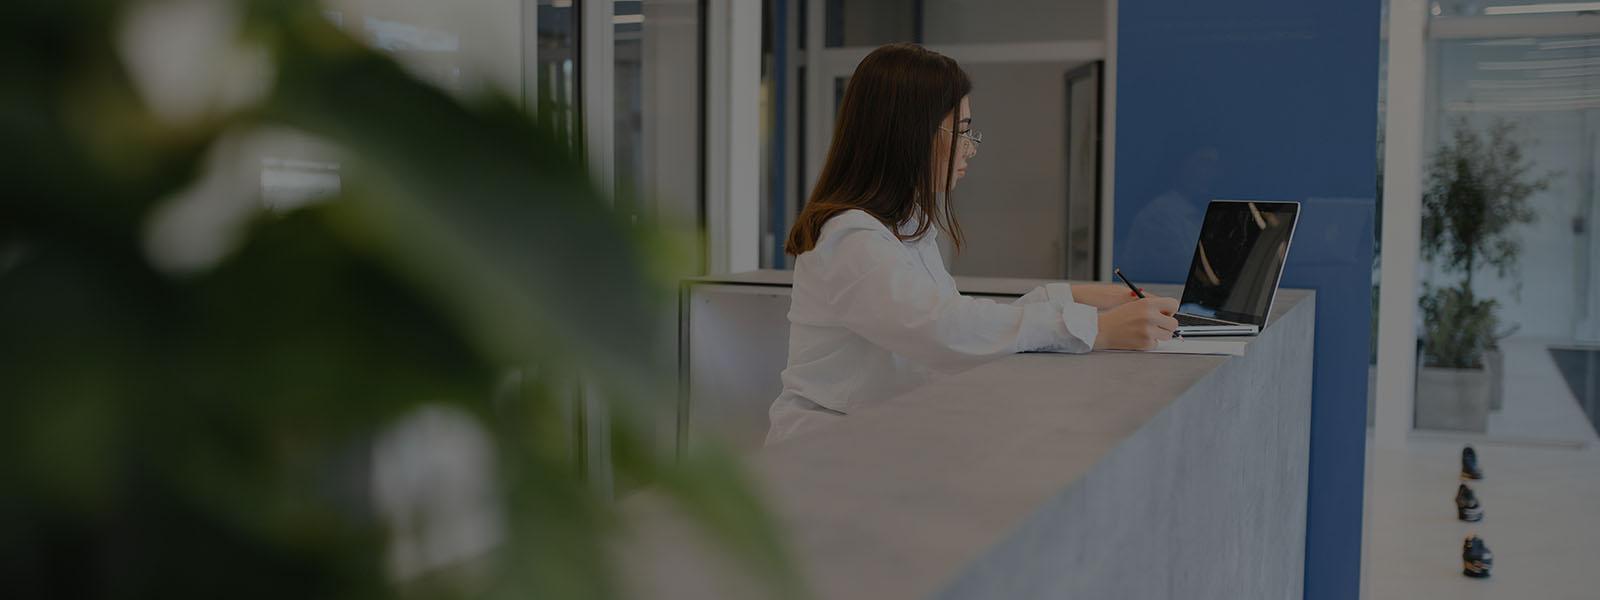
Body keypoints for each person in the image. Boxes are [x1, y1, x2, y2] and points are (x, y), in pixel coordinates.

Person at [765, 43, 1180, 445]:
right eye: (962, 132)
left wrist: (1084, 298)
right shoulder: (852, 237)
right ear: (911, 132)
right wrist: (1094, 330)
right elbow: (943, 331)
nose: (971, 148)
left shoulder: (907, 225)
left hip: (876, 439)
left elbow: (963, 326)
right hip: (825, 452)